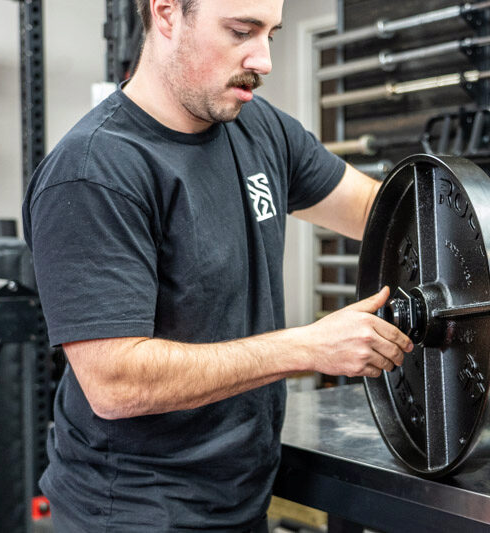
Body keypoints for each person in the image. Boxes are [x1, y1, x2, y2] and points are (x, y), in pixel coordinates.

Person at [22, 0, 413, 530]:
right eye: (240, 31)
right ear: (165, 14)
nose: (264, 59)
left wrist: (480, 227)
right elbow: (115, 384)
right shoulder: (96, 171)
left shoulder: (261, 129)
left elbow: (379, 213)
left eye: (271, 34)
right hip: (135, 515)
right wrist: (308, 346)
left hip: (240, 500)